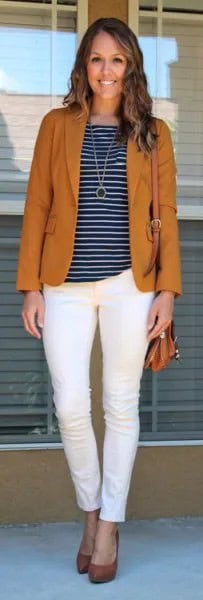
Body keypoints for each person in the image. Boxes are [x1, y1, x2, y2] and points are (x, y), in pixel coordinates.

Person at [16, 17, 182, 584]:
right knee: (69, 404)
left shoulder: (153, 133)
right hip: (62, 284)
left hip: (129, 287)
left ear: (130, 65)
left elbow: (170, 218)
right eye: (96, 59)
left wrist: (168, 290)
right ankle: (90, 512)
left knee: (120, 405)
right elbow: (37, 205)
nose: (106, 70)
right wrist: (30, 286)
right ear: (83, 66)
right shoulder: (55, 125)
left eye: (116, 59)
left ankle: (109, 525)